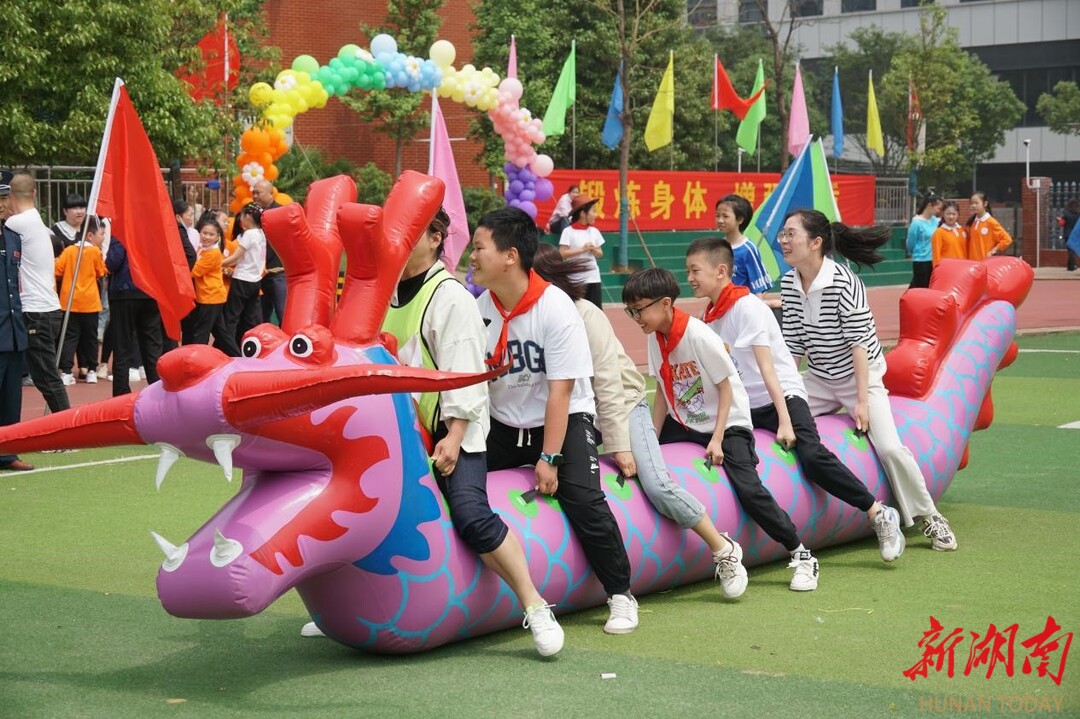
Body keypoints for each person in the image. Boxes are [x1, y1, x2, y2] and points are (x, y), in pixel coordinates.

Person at [301, 208, 565, 656]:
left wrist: (455, 435)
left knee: (470, 513)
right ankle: (340, 607)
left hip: (449, 428)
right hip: (394, 431)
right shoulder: (380, 293)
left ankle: (535, 604)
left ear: (434, 238)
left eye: (406, 233)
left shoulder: (451, 296)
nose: (395, 244)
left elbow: (464, 373)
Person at [532, 244, 749, 599]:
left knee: (656, 482)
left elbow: (609, 382)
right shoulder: (527, 318)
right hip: (571, 413)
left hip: (623, 405)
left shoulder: (584, 314)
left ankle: (723, 547)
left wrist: (619, 446)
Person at [471, 206, 639, 634]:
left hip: (563, 420)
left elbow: (561, 391)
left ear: (510, 256)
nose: (471, 257)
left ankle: (620, 594)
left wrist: (549, 456)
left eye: (478, 248)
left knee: (584, 500)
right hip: (504, 423)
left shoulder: (555, 308)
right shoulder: (479, 308)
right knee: (458, 490)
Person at [686, 237, 905, 564]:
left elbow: (768, 368)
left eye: (694, 271)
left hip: (782, 397)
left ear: (720, 271)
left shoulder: (747, 307)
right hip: (746, 407)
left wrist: (785, 419)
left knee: (811, 454)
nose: (689, 278)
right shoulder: (710, 315)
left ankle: (877, 512)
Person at [623, 267, 820, 592]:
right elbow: (661, 388)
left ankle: (800, 553)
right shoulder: (655, 337)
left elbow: (727, 387)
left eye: (639, 309)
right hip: (687, 422)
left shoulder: (698, 335)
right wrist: (652, 440)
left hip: (727, 425)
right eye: (631, 310)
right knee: (650, 469)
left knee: (749, 489)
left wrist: (717, 440)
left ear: (666, 303)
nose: (635, 318)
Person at [778, 209, 957, 552]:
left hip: (861, 375)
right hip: (818, 378)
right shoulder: (789, 282)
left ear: (815, 243)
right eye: (783, 235)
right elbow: (793, 344)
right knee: (776, 420)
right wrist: (785, 395)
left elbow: (860, 345)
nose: (784, 241)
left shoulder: (845, 282)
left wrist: (861, 400)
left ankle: (930, 517)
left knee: (889, 446)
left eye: (791, 234)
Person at [4, 172, 70, 413]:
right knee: (46, 376)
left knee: (46, 378)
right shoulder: (36, 220)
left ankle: (67, 433)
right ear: (34, 193)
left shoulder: (15, 224)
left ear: (10, 196)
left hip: (36, 311)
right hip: (45, 308)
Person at [0, 170, 33, 471]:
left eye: (4, 196)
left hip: (12, 331)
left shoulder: (12, 237)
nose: (1, 203)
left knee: (11, 396)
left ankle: (7, 452)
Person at [106, 228, 164, 397]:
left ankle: (121, 393)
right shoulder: (154, 230)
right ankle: (158, 388)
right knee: (152, 345)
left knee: (122, 344)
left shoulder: (123, 230)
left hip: (124, 293)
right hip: (150, 291)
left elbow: (113, 262)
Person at [55, 215, 107, 385]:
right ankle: (92, 369)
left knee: (70, 338)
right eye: (100, 234)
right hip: (90, 303)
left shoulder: (69, 251)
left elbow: (57, 270)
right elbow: (101, 271)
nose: (102, 238)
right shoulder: (95, 252)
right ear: (90, 235)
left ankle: (67, 371)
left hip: (69, 302)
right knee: (90, 338)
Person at [217, 204, 266, 357]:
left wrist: (217, 263)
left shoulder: (249, 234)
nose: (240, 220)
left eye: (242, 216)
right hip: (255, 280)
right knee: (251, 318)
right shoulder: (261, 233)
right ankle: (253, 349)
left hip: (242, 279)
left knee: (232, 317)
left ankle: (228, 351)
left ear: (248, 217)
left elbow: (237, 257)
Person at [714, 195, 774, 297]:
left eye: (725, 216)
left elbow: (759, 287)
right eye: (717, 215)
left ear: (740, 219)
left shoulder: (748, 249)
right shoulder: (718, 247)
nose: (720, 220)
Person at [558, 194, 605, 309]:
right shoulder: (568, 232)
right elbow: (562, 253)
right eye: (593, 211)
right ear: (583, 213)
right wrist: (582, 249)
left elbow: (600, 253)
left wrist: (594, 250)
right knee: (577, 309)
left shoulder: (594, 231)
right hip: (576, 278)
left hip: (593, 277)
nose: (595, 215)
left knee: (595, 309)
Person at [188, 217, 228, 346]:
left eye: (211, 234)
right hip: (211, 296)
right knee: (221, 334)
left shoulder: (212, 253)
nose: (207, 237)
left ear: (218, 237)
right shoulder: (203, 249)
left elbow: (194, 272)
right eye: (204, 233)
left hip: (210, 296)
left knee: (201, 333)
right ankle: (238, 357)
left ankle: (196, 360)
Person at [251, 180, 286, 326]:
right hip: (259, 273)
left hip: (278, 272)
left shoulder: (281, 213)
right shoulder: (254, 213)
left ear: (270, 193)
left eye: (258, 193)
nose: (255, 196)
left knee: (282, 312)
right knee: (260, 317)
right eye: (253, 193)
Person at [907, 193, 941, 288]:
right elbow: (911, 244)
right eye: (937, 207)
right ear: (930, 205)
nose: (939, 210)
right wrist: (919, 252)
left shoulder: (936, 221)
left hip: (933, 260)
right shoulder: (916, 223)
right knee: (921, 287)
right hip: (921, 261)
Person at [965, 192, 1012, 260]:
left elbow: (1007, 239)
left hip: (985, 262)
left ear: (985, 204)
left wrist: (994, 250)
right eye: (971, 203)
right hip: (972, 262)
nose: (973, 205)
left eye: (976, 203)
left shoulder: (991, 222)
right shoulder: (972, 222)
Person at [50, 193, 87, 258]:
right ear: (65, 211)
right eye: (75, 208)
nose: (79, 211)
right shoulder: (56, 231)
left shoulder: (87, 228)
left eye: (81, 208)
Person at [931, 201, 967, 266]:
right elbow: (936, 257)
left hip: (962, 268)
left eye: (954, 214)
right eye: (948, 214)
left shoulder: (962, 230)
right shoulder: (939, 232)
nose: (951, 217)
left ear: (958, 215)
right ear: (943, 214)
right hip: (947, 269)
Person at [1060, 198, 1078, 272]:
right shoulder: (1078, 213)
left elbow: (1062, 223)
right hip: (1076, 234)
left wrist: (1059, 220)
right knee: (1072, 250)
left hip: (1067, 234)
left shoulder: (1065, 213)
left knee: (1070, 250)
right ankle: (1070, 266)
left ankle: (1072, 265)